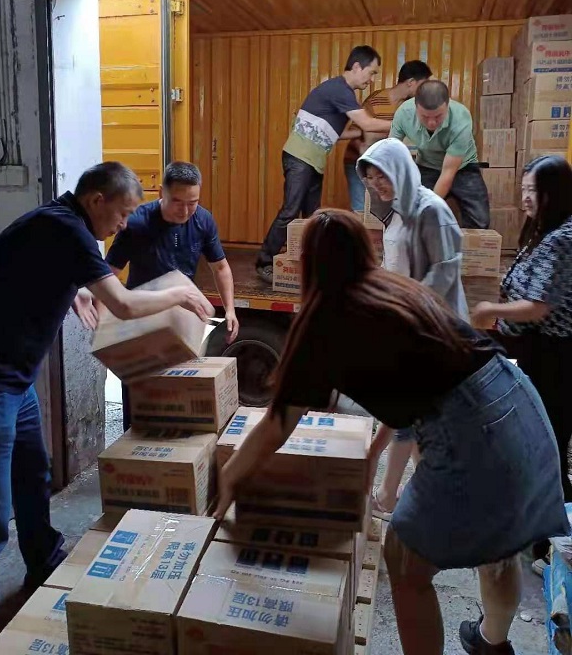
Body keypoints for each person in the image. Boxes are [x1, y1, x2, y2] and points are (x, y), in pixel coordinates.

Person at [215, 209, 568, 655]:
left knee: (404, 558)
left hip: (472, 428)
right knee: (501, 540)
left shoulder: (325, 320)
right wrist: (371, 455)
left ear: (308, 264)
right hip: (517, 400)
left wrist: (229, 477)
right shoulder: (397, 291)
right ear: (365, 251)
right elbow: (411, 385)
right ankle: (491, 643)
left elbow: (277, 425)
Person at [0, 162, 214, 655]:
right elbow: (123, 305)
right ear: (96, 201)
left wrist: (78, 289)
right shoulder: (68, 229)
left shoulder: (59, 223)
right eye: (121, 214)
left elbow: (35, 274)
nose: (123, 224)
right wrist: (180, 294)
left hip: (16, 379)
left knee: (33, 472)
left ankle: (43, 560)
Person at [471, 155, 572, 575]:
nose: (525, 198)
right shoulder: (545, 231)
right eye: (524, 189)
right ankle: (542, 533)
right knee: (540, 440)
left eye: (534, 190)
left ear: (554, 194)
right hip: (538, 351)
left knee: (547, 444)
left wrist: (489, 310)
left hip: (556, 356)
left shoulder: (561, 239)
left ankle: (555, 548)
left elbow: (538, 306)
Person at [357, 137, 468, 520]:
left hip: (431, 328)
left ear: (401, 170)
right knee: (414, 412)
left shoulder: (431, 210)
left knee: (410, 410)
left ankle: (392, 496)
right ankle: (419, 493)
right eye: (371, 178)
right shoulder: (398, 211)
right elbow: (396, 263)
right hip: (407, 323)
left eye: (383, 176)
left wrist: (409, 308)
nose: (377, 185)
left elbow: (445, 271)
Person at [105, 160, 239, 431]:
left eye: (193, 202)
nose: (186, 210)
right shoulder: (138, 223)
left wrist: (230, 309)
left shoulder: (203, 220)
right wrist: (109, 317)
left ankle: (176, 446)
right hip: (142, 320)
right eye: (178, 202)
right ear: (161, 193)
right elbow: (109, 273)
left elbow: (221, 267)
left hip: (181, 320)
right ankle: (135, 442)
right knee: (140, 393)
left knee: (178, 391)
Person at [255, 45, 382, 283]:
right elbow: (367, 123)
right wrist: (400, 126)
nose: (372, 79)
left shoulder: (341, 93)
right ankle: (264, 262)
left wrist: (359, 134)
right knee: (291, 210)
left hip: (313, 160)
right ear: (357, 66)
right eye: (372, 72)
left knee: (311, 216)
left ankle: (309, 263)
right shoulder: (340, 89)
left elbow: (335, 133)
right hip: (300, 157)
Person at [390, 80, 490, 229]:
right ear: (415, 107)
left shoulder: (461, 118)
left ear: (447, 105)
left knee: (480, 221)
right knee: (413, 218)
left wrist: (428, 207)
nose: (431, 123)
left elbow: (448, 173)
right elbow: (391, 150)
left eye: (438, 116)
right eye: (425, 117)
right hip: (427, 165)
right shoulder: (404, 113)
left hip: (463, 167)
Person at [343, 60, 432, 212]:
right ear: (411, 82)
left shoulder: (410, 106)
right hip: (358, 162)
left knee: (383, 211)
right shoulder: (376, 101)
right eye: (422, 85)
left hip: (384, 167)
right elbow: (357, 133)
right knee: (361, 209)